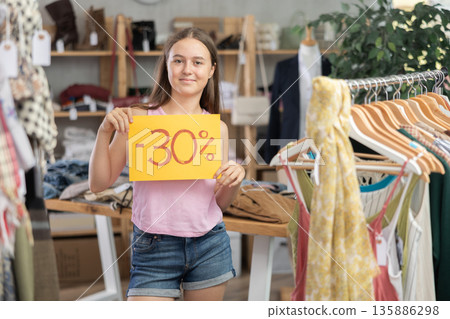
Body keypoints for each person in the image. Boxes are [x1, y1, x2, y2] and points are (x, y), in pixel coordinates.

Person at [89, 27, 245, 301]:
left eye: (198, 62)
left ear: (211, 70)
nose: (188, 69)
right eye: (178, 60)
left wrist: (234, 180)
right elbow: (99, 183)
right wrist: (104, 131)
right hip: (153, 247)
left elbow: (219, 203)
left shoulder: (216, 128)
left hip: (210, 244)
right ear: (167, 65)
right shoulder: (138, 119)